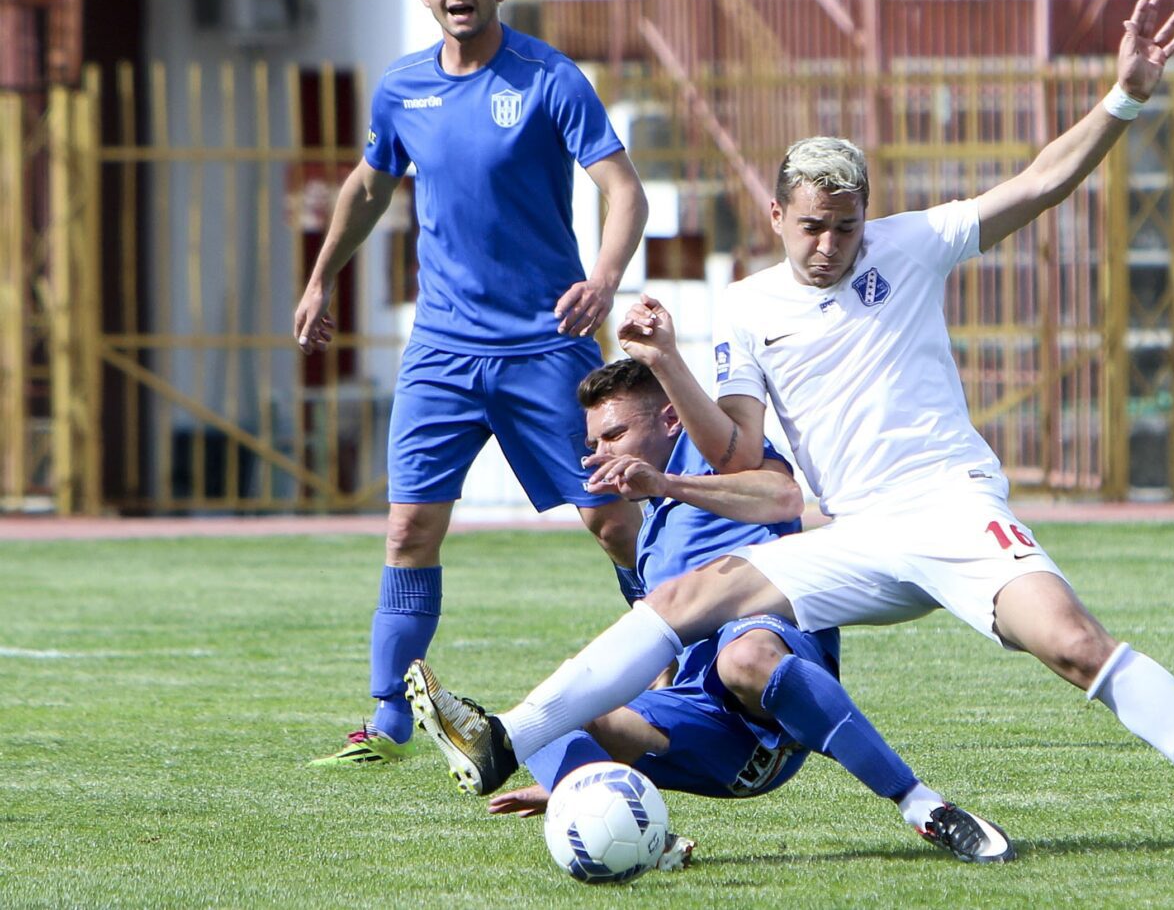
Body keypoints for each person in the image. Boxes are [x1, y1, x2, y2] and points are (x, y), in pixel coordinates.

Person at [405, 0, 1174, 862]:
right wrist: (668, 361)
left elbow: (1039, 184)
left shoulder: (913, 243)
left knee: (1072, 643)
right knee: (695, 593)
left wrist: (1124, 98)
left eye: (846, 228)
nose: (830, 246)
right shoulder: (746, 307)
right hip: (854, 533)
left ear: (866, 218)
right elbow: (737, 451)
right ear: (777, 214)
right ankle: (506, 738)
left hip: (950, 508)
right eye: (813, 226)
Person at [407, 358, 1016, 864]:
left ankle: (923, 806)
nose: (597, 455)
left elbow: (783, 496)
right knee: (565, 717)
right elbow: (654, 652)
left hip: (768, 683)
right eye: (592, 444)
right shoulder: (650, 538)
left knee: (742, 656)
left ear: (669, 418)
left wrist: (666, 482)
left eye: (614, 436)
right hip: (716, 737)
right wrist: (580, 782)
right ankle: (645, 840)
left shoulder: (719, 457)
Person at [297, 0, 646, 766]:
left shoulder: (549, 78)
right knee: (409, 529)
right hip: (443, 352)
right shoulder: (401, 89)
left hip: (545, 347)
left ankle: (687, 652)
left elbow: (623, 189)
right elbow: (369, 187)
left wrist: (603, 279)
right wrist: (321, 277)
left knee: (613, 521)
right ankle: (389, 717)